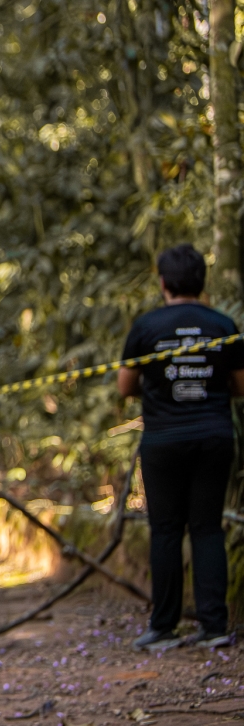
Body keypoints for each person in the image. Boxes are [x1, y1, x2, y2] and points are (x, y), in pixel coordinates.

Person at [118, 243, 244, 651]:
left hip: (163, 440)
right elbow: (240, 385)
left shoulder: (146, 327)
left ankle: (164, 627)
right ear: (202, 281)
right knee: (207, 527)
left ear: (163, 283)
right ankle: (214, 626)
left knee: (166, 529)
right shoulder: (223, 325)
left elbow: (125, 386)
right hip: (214, 437)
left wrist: (161, 386)